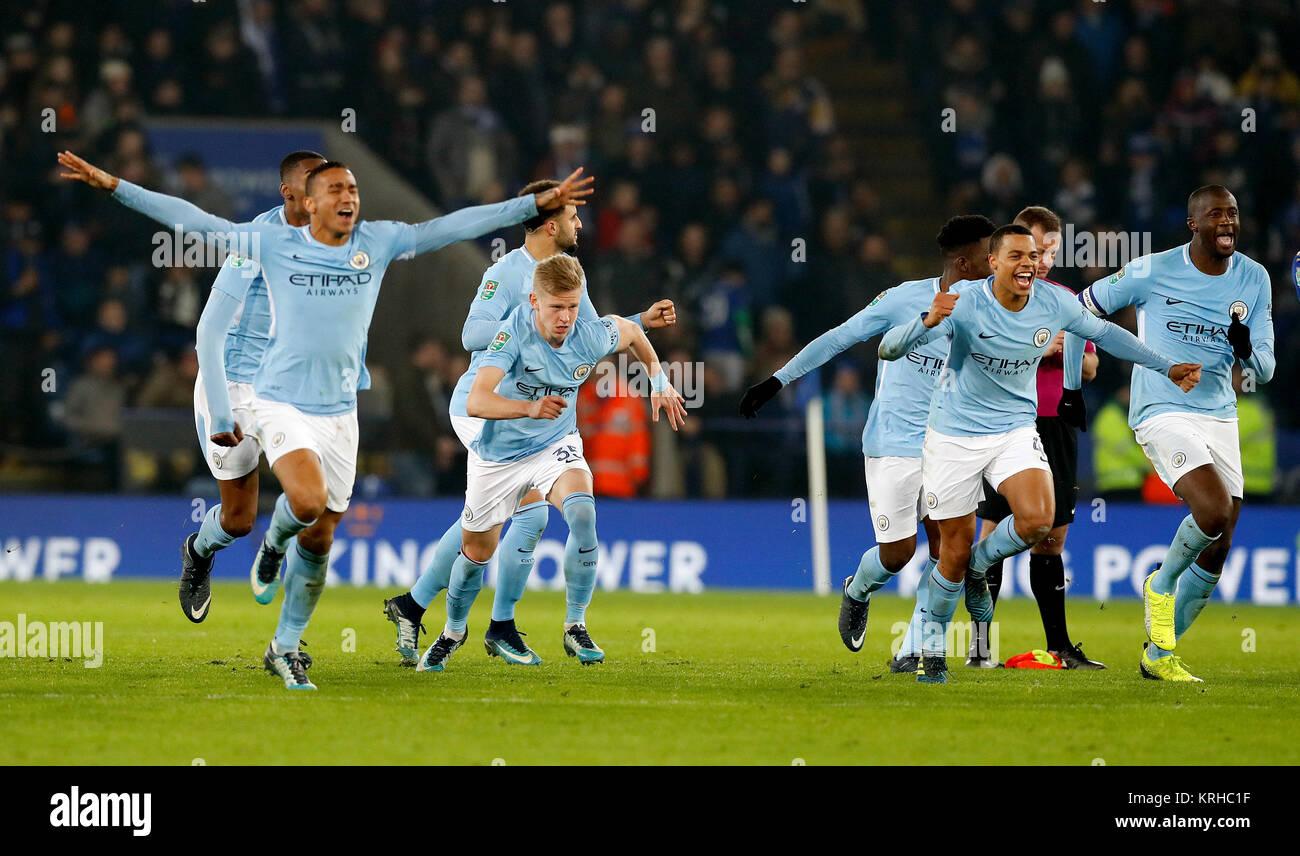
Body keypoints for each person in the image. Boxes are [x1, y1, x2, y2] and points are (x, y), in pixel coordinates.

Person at [57, 150, 592, 689]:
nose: (348, 198)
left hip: (336, 407)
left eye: (352, 188)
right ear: (301, 198)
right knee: (250, 515)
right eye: (334, 189)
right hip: (261, 392)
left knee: (321, 535)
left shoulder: (374, 243)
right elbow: (195, 234)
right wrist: (113, 185)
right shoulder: (266, 243)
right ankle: (219, 550)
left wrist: (530, 204)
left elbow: (450, 226)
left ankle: (284, 634)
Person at [879, 224, 1201, 684]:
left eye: (1033, 255)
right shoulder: (966, 300)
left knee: (1037, 520)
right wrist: (926, 321)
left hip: (1013, 429)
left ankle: (981, 562)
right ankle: (931, 651)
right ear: (993, 263)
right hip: (953, 434)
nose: (1028, 263)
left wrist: (1166, 366)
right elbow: (889, 349)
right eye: (1016, 255)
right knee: (949, 551)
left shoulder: (1055, 301)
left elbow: (1108, 336)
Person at [382, 179, 674, 667]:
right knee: (521, 514)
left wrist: (641, 321)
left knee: (497, 521)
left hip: (543, 421)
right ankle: (491, 626)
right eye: (574, 216)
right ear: (551, 222)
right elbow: (472, 333)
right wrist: (529, 324)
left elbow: (599, 331)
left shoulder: (567, 279)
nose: (580, 223)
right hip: (485, 408)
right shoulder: (507, 272)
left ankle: (418, 606)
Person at [741, 215, 995, 672]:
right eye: (987, 256)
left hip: (950, 443)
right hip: (894, 440)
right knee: (898, 553)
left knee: (948, 551)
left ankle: (915, 650)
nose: (995, 263)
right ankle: (857, 588)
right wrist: (778, 380)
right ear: (964, 262)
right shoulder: (904, 299)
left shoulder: (995, 308)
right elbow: (841, 338)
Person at [1069, 185, 1274, 682]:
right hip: (1162, 408)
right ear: (1193, 224)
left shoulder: (1255, 278)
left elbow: (1264, 370)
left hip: (1220, 413)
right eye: (1216, 215)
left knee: (1219, 546)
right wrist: (1072, 387)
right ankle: (1160, 584)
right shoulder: (1152, 269)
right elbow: (1079, 309)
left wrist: (1245, 349)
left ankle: (1158, 656)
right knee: (1213, 511)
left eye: (1233, 213)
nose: (1227, 222)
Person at [177, 149, 324, 623]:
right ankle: (199, 552)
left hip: (282, 390)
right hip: (234, 387)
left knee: (312, 499)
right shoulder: (258, 241)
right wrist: (221, 413)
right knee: (239, 520)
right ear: (288, 193)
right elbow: (208, 332)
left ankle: (290, 635)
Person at [969, 205, 1104, 669]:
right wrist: (1039, 346)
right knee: (992, 531)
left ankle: (1060, 646)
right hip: (1006, 422)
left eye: (1050, 251)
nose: (1042, 260)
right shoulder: (989, 297)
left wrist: (1069, 355)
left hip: (1057, 424)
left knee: (1052, 538)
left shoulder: (1066, 299)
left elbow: (1091, 366)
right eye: (1035, 249)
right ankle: (980, 649)